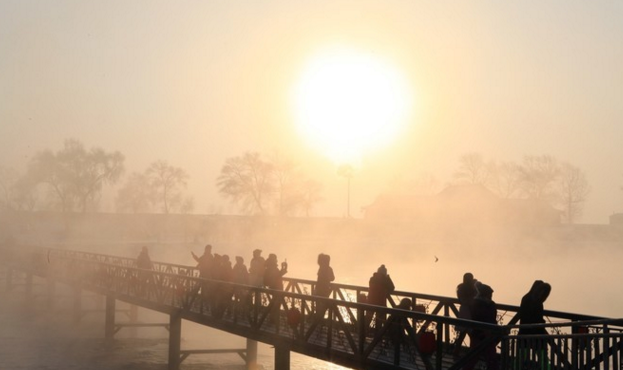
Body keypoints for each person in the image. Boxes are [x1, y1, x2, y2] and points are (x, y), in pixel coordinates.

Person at [518, 280, 552, 370]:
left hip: (525, 333)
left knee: (522, 357)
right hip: (535, 334)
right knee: (542, 358)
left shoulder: (526, 298)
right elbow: (533, 318)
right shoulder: (535, 302)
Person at [464, 283, 499, 370]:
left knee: (483, 357)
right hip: (481, 334)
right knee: (484, 357)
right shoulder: (484, 304)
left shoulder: (477, 303)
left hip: (484, 334)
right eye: (490, 294)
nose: (491, 296)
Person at [454, 272, 478, 355]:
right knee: (471, 334)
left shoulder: (460, 288)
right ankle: (472, 352)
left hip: (463, 310)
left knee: (463, 333)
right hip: (469, 311)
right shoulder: (472, 289)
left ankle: (456, 352)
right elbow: (472, 300)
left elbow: (461, 300)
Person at [367, 264, 395, 330]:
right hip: (380, 303)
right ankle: (378, 337)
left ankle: (363, 333)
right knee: (380, 322)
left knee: (368, 319)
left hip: (370, 301)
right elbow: (392, 288)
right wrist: (388, 277)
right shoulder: (385, 280)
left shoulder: (372, 278)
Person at [264, 253, 288, 324]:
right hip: (276, 287)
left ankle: (272, 319)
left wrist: (284, 269)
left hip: (274, 287)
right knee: (276, 304)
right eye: (275, 258)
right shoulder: (272, 267)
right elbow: (276, 276)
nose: (276, 260)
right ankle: (273, 320)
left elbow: (277, 275)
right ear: (273, 259)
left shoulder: (269, 266)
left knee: (275, 303)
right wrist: (284, 269)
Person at [315, 253, 335, 320]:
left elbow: (319, 279)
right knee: (322, 305)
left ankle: (318, 320)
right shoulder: (328, 269)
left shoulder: (321, 268)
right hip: (325, 290)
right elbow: (333, 278)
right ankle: (320, 319)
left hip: (320, 290)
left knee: (319, 306)